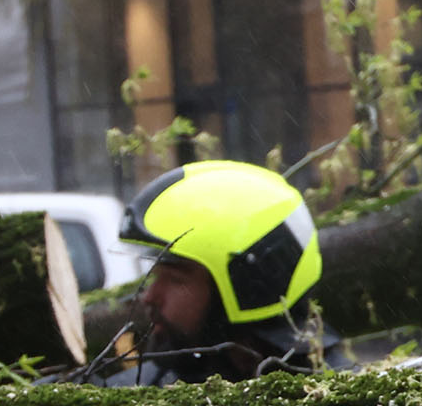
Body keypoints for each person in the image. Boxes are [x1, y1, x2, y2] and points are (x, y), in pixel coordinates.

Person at [98, 157, 326, 383]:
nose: (150, 296)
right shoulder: (136, 392)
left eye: (176, 280)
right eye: (156, 275)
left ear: (247, 289)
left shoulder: (337, 404)